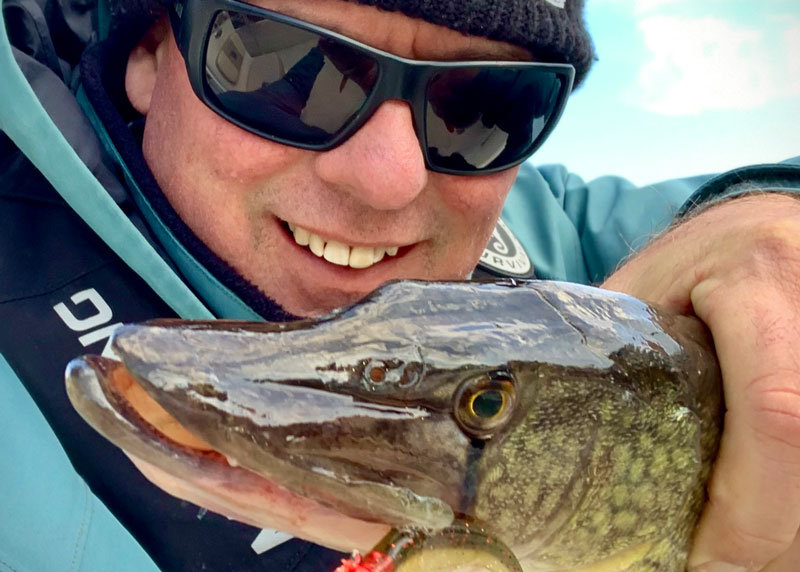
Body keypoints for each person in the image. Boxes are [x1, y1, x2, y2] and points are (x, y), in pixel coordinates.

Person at [0, 0, 798, 570]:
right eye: (295, 70)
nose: (389, 179)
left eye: (482, 106)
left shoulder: (563, 228)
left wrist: (768, 211)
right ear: (147, 50)